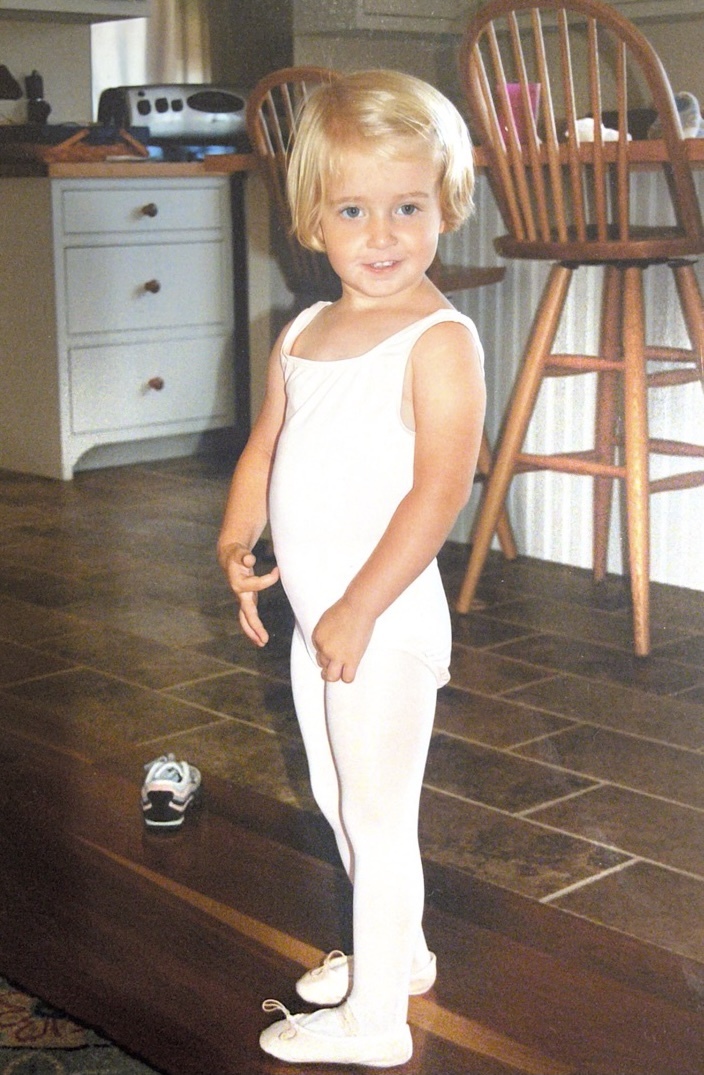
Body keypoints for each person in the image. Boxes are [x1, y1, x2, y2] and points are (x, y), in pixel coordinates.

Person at [218, 68, 486, 1068]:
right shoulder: (303, 333)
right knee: (336, 796)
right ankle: (396, 953)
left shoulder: (437, 341)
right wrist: (240, 542)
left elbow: (437, 491)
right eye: (353, 208)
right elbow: (265, 449)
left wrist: (360, 608)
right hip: (320, 620)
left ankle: (375, 1021)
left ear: (444, 206)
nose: (382, 234)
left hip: (381, 622)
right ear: (311, 222)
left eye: (407, 207)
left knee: (377, 815)